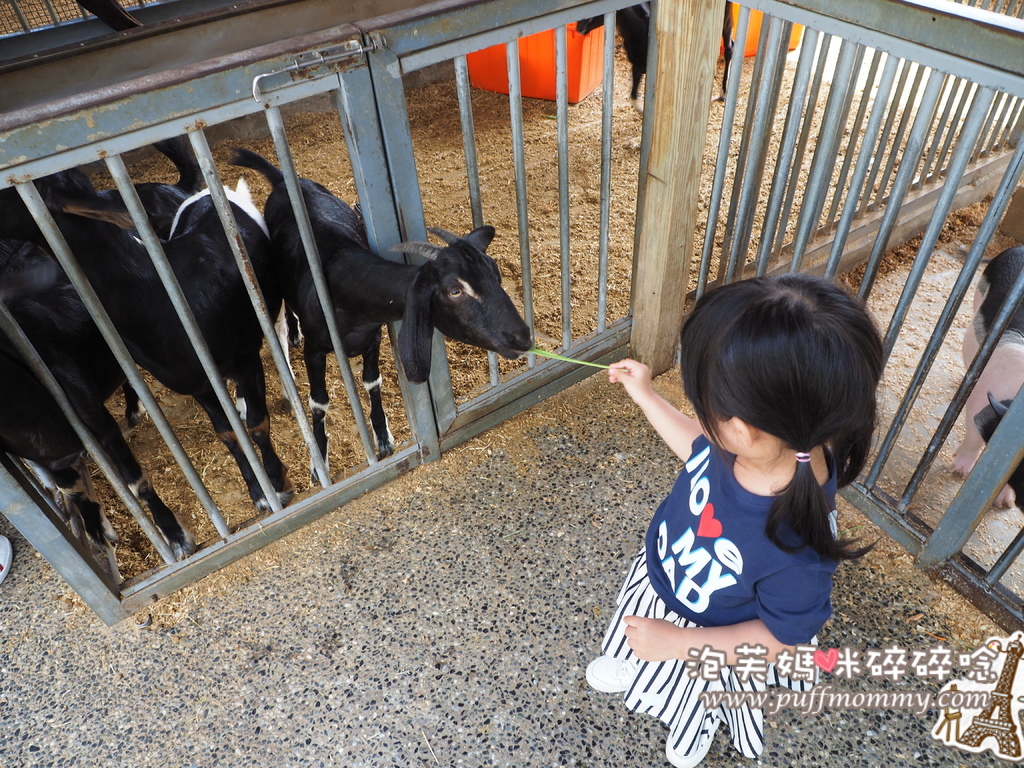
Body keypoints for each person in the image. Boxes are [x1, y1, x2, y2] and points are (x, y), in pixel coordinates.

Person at [588, 272, 884, 767]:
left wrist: (683, 643)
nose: (698, 407)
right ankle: (636, 665)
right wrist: (647, 396)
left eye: (702, 400)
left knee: (690, 683)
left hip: (713, 631)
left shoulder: (798, 549)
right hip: (666, 575)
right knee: (641, 641)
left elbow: (781, 637)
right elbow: (698, 451)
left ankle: (693, 722)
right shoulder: (782, 440)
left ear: (743, 429)